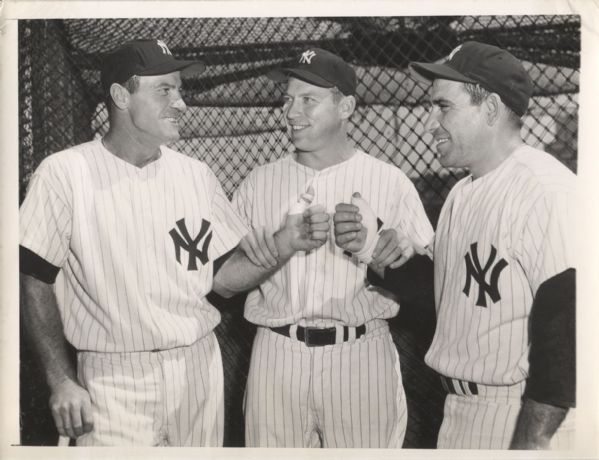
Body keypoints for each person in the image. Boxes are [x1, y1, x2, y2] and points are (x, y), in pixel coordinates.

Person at [19, 38, 330, 447]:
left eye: (180, 90)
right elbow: (33, 278)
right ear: (120, 96)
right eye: (164, 89)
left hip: (198, 366)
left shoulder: (196, 175)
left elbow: (223, 280)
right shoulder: (64, 173)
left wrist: (284, 244)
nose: (181, 103)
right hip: (114, 379)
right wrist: (60, 379)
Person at [341, 41, 575, 449]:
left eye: (443, 107)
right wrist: (371, 247)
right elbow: (447, 302)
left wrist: (532, 443)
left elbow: (570, 321)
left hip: (521, 413)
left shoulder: (546, 189)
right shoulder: (461, 194)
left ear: (490, 109)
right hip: (461, 413)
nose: (429, 122)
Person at [231, 47, 434, 448]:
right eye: (288, 99)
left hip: (359, 352)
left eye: (309, 99)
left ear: (346, 107)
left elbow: (429, 282)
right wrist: (280, 245)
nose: (291, 111)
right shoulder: (259, 182)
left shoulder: (389, 181)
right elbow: (226, 276)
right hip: (277, 351)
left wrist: (393, 251)